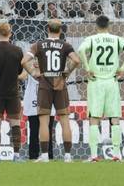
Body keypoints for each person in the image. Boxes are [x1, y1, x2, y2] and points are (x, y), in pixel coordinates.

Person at [77, 15, 124, 162]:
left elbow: (81, 50)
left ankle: (94, 155)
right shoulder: (116, 39)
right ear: (109, 25)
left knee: (94, 118)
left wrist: (87, 67)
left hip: (96, 82)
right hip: (111, 81)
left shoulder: (91, 39)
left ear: (96, 26)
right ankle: (117, 154)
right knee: (114, 118)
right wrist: (123, 67)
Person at [24, 19, 79, 162]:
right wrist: (67, 71)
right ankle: (67, 156)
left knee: (43, 121)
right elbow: (77, 60)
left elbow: (24, 61)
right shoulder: (65, 45)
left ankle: (44, 156)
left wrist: (33, 73)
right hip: (60, 84)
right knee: (64, 120)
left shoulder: (38, 45)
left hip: (44, 85)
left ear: (47, 29)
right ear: (60, 30)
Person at [0, 22, 25, 161]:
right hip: (13, 92)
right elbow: (19, 71)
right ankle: (16, 155)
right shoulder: (18, 51)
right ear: (10, 34)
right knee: (15, 124)